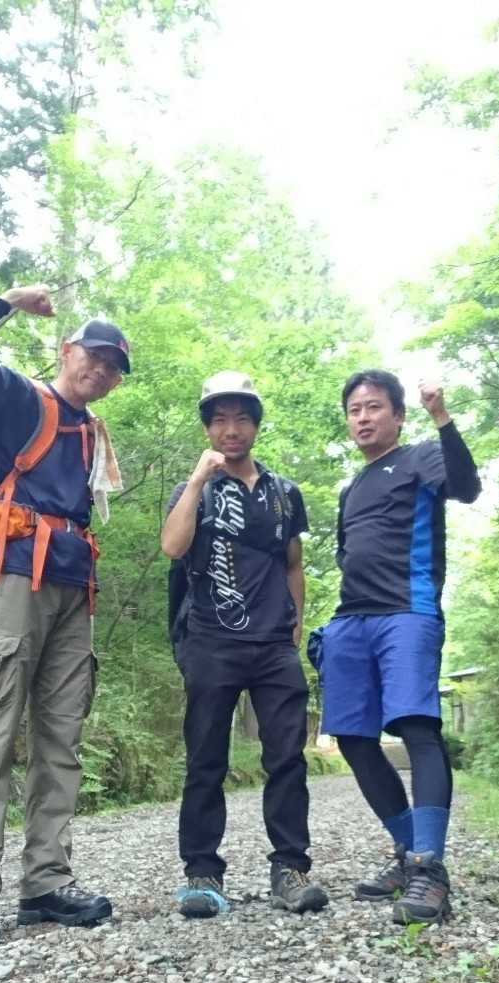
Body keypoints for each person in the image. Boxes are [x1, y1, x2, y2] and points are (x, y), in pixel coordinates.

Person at [0, 284, 130, 944]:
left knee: (61, 738)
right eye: (94, 355)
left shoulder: (92, 432)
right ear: (68, 350)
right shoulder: (21, 398)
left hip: (77, 588)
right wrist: (6, 302)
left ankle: (46, 882)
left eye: (113, 366)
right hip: (16, 576)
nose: (101, 369)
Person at [162, 371, 328, 919]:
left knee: (287, 758)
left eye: (240, 419)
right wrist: (196, 481)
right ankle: (202, 873)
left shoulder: (284, 493)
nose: (230, 429)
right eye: (219, 420)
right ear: (208, 428)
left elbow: (293, 562)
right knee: (205, 759)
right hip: (211, 640)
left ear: (256, 425)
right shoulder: (196, 488)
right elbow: (173, 547)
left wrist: (295, 621)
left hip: (273, 643)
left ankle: (290, 868)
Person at [320, 370, 481, 924]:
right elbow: (348, 555)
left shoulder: (420, 458)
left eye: (374, 407)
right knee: (352, 736)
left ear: (398, 415)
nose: (363, 417)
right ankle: (409, 854)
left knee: (416, 727)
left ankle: (429, 868)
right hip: (351, 619)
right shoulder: (351, 488)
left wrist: (443, 418)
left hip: (407, 611)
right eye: (354, 409)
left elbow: (466, 487)